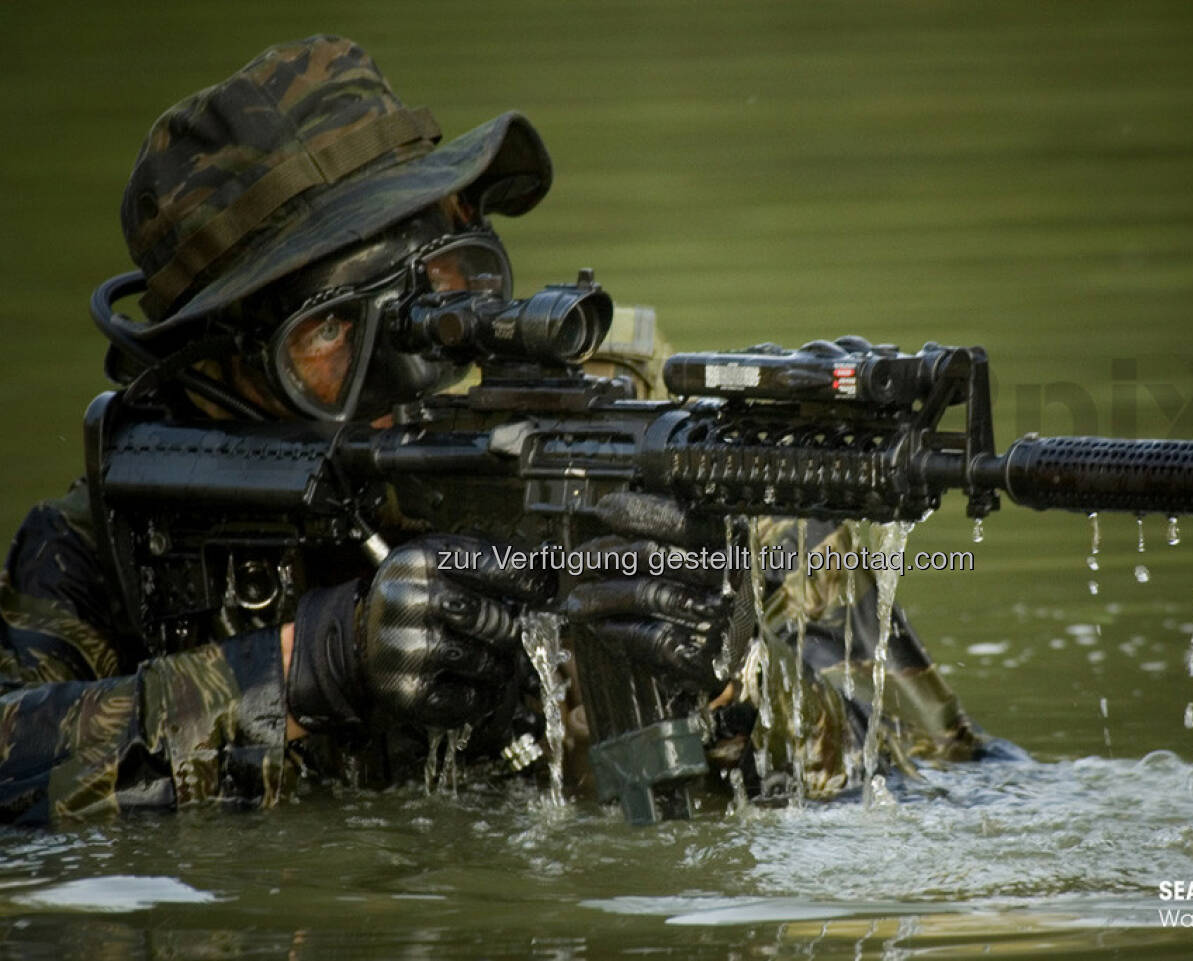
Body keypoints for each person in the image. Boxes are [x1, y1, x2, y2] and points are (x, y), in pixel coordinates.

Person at [0, 36, 1008, 827]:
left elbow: (950, 794)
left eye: (449, 281)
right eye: (333, 332)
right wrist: (303, 669)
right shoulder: (110, 545)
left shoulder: (680, 468)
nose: (415, 358)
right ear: (217, 368)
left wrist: (725, 690)